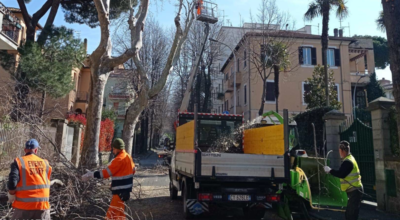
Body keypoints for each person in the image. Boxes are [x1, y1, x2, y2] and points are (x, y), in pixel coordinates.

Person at [82, 138, 135, 220]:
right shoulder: (128, 157)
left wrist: (91, 174)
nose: (113, 151)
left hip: (119, 191)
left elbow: (106, 173)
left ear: (117, 148)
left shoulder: (118, 159)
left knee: (112, 214)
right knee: (119, 214)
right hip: (125, 191)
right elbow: (133, 170)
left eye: (113, 149)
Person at [7, 139, 52, 220]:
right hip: (42, 205)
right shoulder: (45, 163)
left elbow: (13, 181)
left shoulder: (18, 161)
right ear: (36, 150)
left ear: (25, 150)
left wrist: (11, 194)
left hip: (23, 206)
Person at [324, 141, 363, 220]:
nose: (339, 153)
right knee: (350, 213)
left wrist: (330, 170)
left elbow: (341, 174)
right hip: (355, 190)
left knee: (351, 215)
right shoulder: (350, 158)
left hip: (355, 191)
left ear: (342, 151)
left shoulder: (348, 162)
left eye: (339, 151)